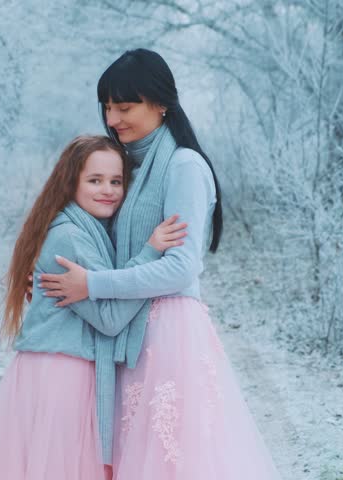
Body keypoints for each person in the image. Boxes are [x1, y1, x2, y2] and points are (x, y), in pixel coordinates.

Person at [38, 49, 282, 479]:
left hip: (167, 334)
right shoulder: (128, 164)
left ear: (161, 103)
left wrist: (92, 284)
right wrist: (43, 269)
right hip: (126, 331)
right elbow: (90, 232)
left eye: (124, 107)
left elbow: (181, 269)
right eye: (108, 107)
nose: (113, 119)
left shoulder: (183, 166)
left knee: (170, 461)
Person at [0, 135, 187, 480]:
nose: (108, 190)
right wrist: (150, 255)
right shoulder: (71, 236)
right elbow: (110, 319)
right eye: (95, 180)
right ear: (71, 183)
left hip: (56, 368)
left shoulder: (87, 230)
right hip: (60, 375)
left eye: (116, 181)